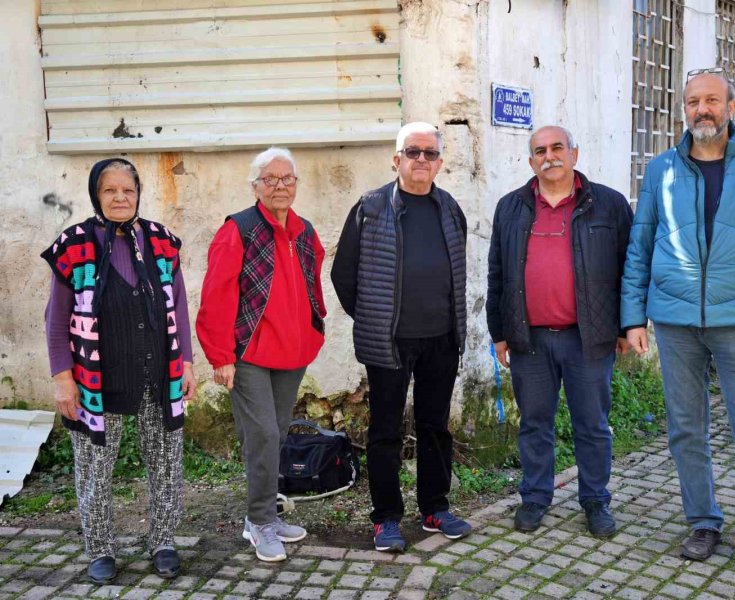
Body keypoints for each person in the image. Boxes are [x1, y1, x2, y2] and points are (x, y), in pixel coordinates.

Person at [621, 68, 735, 588]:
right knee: (686, 431)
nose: (701, 109)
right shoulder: (660, 169)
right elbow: (641, 246)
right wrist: (633, 316)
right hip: (677, 321)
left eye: (711, 100)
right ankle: (703, 522)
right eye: (692, 102)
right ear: (683, 109)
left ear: (731, 104)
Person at [42, 158, 196, 584]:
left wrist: (185, 362)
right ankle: (100, 548)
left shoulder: (161, 241)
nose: (120, 197)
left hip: (157, 373)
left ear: (138, 192)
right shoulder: (74, 245)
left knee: (166, 463)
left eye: (127, 189)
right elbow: (56, 320)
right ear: (97, 195)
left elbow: (178, 306)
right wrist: (62, 380)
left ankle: (163, 540)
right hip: (96, 380)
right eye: (110, 190)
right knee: (94, 467)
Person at [486, 126, 633, 537]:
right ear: (531, 161)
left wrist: (627, 326)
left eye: (557, 148)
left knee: (592, 425)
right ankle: (534, 498)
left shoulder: (608, 204)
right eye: (540, 151)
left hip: (589, 337)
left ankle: (596, 501)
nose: (549, 156)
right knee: (534, 423)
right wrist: (499, 332)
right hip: (529, 338)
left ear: (574, 153)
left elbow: (630, 268)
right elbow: (497, 272)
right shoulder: (511, 207)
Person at [331, 122, 471, 552]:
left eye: (430, 154)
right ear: (397, 160)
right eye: (413, 152)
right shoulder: (370, 208)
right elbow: (343, 275)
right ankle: (386, 518)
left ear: (440, 163)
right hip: (389, 343)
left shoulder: (450, 209)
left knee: (434, 427)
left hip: (441, 340)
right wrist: (374, 317)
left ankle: (435, 508)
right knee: (386, 431)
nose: (421, 161)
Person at [196, 147, 326, 562]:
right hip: (248, 354)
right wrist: (220, 355)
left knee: (277, 433)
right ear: (255, 186)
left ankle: (268, 512)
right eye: (270, 179)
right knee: (263, 435)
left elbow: (313, 283)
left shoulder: (304, 230)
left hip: (292, 353)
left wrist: (315, 324)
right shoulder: (240, 229)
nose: (280, 186)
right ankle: (259, 522)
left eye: (287, 178)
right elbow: (215, 295)